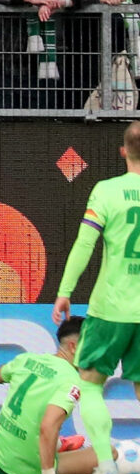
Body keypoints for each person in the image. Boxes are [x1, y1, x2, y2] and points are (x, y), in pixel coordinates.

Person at [53, 117, 140, 390]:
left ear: (123, 151)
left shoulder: (106, 190)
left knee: (89, 384)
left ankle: (100, 437)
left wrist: (65, 291)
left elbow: (84, 244)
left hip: (110, 308)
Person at [0, 317, 118, 474]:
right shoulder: (72, 381)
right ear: (73, 347)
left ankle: (59, 444)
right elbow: (47, 426)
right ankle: (56, 452)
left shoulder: (27, 359)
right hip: (23, 470)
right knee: (109, 453)